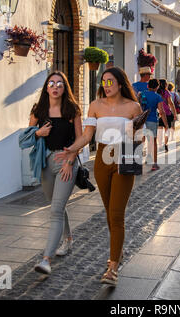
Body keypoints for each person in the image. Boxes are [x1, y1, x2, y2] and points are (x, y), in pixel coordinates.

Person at [55, 67, 142, 286]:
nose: (106, 85)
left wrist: (135, 135)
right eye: (103, 81)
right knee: (109, 213)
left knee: (116, 214)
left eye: (110, 81)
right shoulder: (95, 106)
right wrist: (71, 150)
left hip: (124, 158)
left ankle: (113, 267)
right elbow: (86, 135)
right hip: (102, 162)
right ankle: (117, 251)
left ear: (120, 83)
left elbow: (138, 137)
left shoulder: (133, 106)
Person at [30, 71, 82, 275]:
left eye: (60, 84)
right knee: (56, 207)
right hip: (45, 163)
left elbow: (80, 139)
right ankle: (68, 239)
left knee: (56, 210)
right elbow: (27, 135)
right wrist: (37, 132)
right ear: (46, 87)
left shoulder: (72, 110)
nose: (55, 87)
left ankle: (46, 259)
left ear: (64, 88)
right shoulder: (39, 110)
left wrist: (70, 161)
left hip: (65, 162)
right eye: (51, 83)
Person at [138, 78, 169, 171]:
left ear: (148, 86)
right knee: (153, 142)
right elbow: (162, 111)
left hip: (142, 121)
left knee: (141, 140)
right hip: (152, 120)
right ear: (157, 87)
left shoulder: (142, 94)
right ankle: (154, 164)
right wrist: (166, 124)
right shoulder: (157, 97)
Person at [157, 79, 177, 152]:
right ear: (165, 85)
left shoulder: (157, 92)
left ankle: (159, 145)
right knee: (166, 129)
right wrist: (174, 113)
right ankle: (165, 144)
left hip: (159, 114)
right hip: (167, 113)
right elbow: (171, 103)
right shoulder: (167, 92)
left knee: (159, 130)